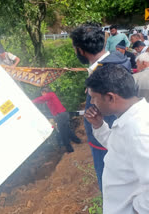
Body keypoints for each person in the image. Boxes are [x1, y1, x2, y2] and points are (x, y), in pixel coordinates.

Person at [70, 23, 131, 192]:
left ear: (81, 50)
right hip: (113, 138)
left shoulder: (103, 73)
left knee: (111, 188)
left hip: (107, 142)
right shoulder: (115, 61)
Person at [84, 64, 149, 214]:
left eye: (94, 97)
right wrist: (99, 125)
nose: (92, 103)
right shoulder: (130, 119)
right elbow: (117, 148)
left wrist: (137, 210)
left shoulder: (138, 132)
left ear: (110, 97)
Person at [32, 87, 81, 153]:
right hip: (61, 115)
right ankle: (77, 141)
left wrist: (32, 101)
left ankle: (69, 149)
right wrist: (34, 102)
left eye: (42, 93)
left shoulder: (50, 94)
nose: (42, 95)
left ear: (44, 92)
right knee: (67, 130)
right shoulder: (49, 98)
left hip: (61, 115)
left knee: (63, 133)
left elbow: (42, 98)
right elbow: (41, 100)